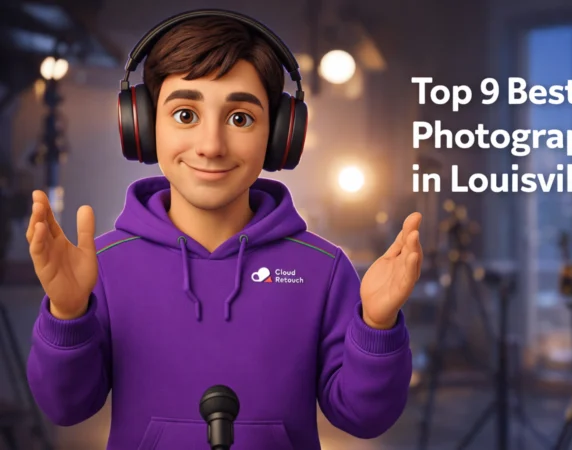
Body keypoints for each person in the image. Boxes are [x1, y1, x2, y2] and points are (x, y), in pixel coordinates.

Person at [25, 11, 422, 450]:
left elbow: (363, 417)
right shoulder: (102, 265)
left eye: (240, 119)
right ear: (141, 125)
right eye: (184, 114)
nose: (211, 145)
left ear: (280, 135)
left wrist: (378, 324)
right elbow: (65, 408)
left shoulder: (323, 269)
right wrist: (66, 313)